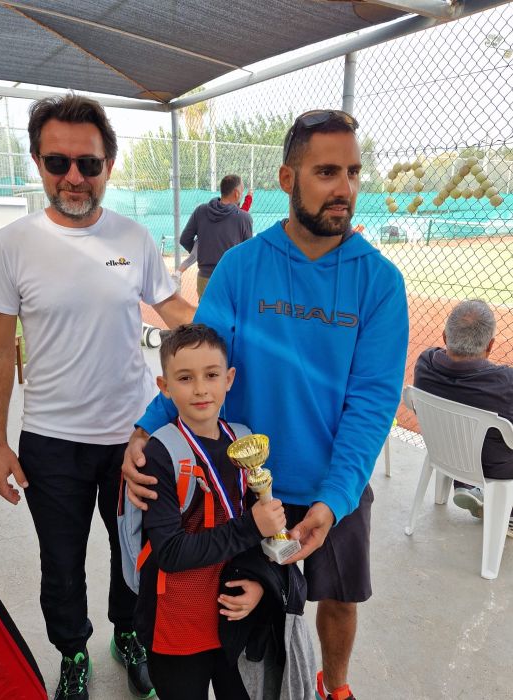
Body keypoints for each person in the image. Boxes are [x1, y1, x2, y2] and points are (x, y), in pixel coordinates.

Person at [122, 109, 409, 700]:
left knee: (340, 597)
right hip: (244, 482)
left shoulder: (379, 282)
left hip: (334, 479)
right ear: (287, 178)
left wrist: (335, 499)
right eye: (326, 172)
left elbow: (372, 402)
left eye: (353, 172)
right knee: (243, 596)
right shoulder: (242, 266)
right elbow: (200, 360)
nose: (345, 187)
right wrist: (144, 433)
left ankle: (335, 686)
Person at [0, 93, 194, 700]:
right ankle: (73, 651)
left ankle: (130, 635)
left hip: (133, 437)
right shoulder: (12, 244)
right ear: (37, 162)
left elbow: (175, 311)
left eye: (88, 164)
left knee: (135, 549)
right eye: (58, 162)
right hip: (50, 442)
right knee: (61, 561)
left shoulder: (133, 236)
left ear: (108, 166)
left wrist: (238, 338)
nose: (73, 176)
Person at [133, 322, 287, 700]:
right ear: (165, 386)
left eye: (212, 375)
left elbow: (265, 539)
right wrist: (251, 526)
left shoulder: (245, 442)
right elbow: (170, 552)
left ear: (229, 379)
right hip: (178, 625)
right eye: (185, 378)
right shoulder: (160, 454)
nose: (201, 388)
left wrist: (260, 586)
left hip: (234, 614)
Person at [414, 299, 513, 535]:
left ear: (445, 337)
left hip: (445, 452)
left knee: (466, 428)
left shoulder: (425, 363)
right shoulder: (505, 383)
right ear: (490, 345)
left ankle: (465, 484)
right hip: (495, 468)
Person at [180, 175, 253, 299]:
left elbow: (184, 239)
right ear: (236, 193)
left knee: (206, 311)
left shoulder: (200, 211)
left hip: (204, 277)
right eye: (241, 191)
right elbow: (248, 254)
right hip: (230, 278)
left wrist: (203, 252)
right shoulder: (243, 218)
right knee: (229, 311)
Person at [175, 189, 254, 278]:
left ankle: (178, 273)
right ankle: (178, 273)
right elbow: (246, 207)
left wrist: (202, 251)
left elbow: (185, 240)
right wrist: (249, 196)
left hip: (205, 248)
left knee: (192, 257)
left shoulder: (207, 209)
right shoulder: (240, 216)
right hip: (224, 264)